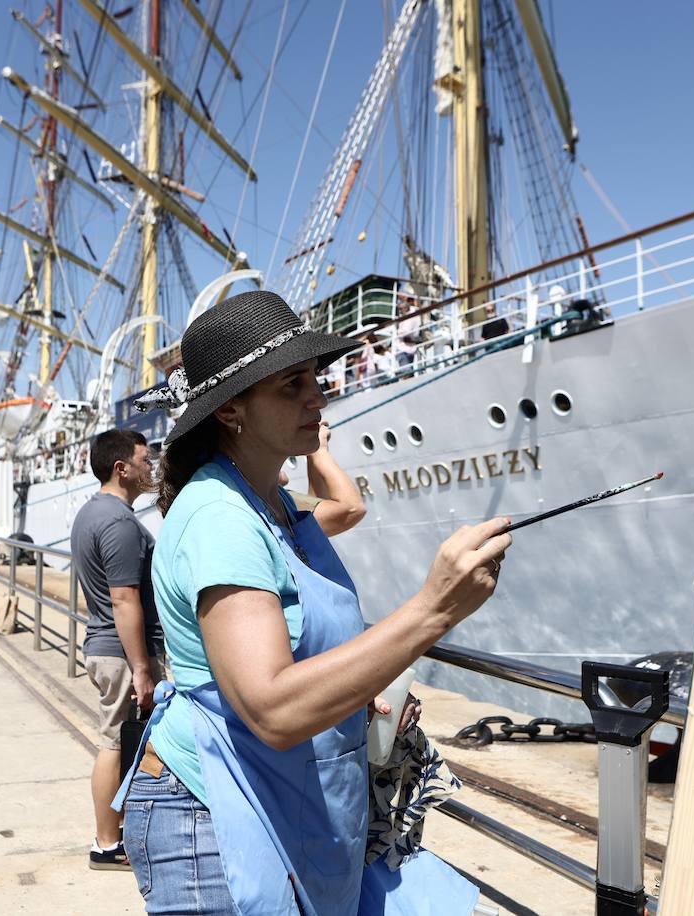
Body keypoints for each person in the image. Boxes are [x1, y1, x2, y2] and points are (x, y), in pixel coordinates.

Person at [119, 290, 510, 915]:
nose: (318, 397)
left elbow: (302, 636)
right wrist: (434, 609)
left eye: (316, 379)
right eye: (292, 385)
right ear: (231, 411)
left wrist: (357, 691)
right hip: (216, 809)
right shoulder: (221, 518)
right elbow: (271, 707)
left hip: (287, 796)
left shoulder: (272, 503)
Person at [71, 428, 166, 870]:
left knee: (120, 741)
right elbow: (124, 598)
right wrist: (142, 668)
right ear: (121, 468)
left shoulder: (93, 513)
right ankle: (107, 844)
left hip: (104, 644)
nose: (152, 467)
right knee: (114, 743)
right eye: (146, 460)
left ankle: (116, 836)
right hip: (121, 651)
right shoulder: (119, 523)